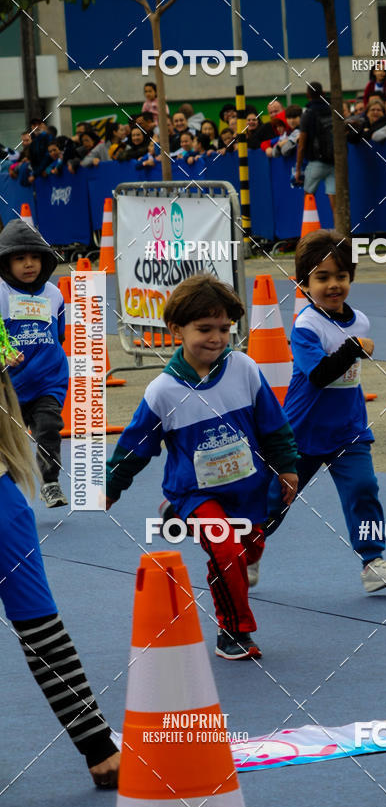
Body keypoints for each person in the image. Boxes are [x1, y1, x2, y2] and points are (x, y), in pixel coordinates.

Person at [104, 274, 298, 660]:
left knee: (248, 552)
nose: (216, 337)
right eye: (204, 328)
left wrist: (287, 467)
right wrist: (111, 486)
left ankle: (175, 515)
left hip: (249, 490)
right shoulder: (163, 391)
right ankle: (234, 631)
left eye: (224, 328)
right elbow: (136, 445)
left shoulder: (244, 368)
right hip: (197, 493)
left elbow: (274, 426)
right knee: (226, 552)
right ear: (176, 329)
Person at [0, 331, 120, 787]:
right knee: (41, 630)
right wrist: (100, 749)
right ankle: (100, 753)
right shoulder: (9, 508)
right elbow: (43, 634)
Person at [265, 230, 386, 591]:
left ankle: (373, 562)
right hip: (303, 432)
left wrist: (354, 345)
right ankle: (247, 549)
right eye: (322, 277)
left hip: (349, 429)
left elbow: (348, 373)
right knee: (275, 498)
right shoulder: (306, 326)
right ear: (303, 283)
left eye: (341, 276)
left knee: (364, 488)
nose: (333, 285)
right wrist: (353, 348)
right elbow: (318, 375)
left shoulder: (359, 321)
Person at [0, 220, 70, 506]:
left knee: (48, 427)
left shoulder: (54, 294)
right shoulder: (1, 293)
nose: (29, 264)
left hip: (47, 382)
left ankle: (50, 481)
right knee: (9, 444)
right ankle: (11, 490)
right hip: (10, 386)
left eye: (34, 257)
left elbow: (60, 335)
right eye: (20, 258)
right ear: (6, 262)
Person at [296, 81, 336, 217]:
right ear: (323, 93)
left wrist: (298, 169)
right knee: (334, 198)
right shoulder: (333, 110)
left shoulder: (307, 114)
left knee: (308, 195)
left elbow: (301, 145)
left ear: (308, 95)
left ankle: (309, 228)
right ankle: (340, 230)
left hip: (316, 162)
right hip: (335, 161)